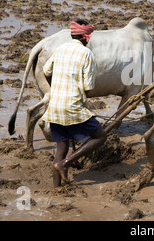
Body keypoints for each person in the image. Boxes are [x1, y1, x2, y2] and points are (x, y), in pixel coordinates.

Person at [42, 19, 106, 187]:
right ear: (85, 37)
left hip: (55, 107)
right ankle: (66, 163)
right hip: (73, 108)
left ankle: (56, 189)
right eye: (89, 37)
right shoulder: (86, 53)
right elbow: (88, 86)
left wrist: (55, 90)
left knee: (60, 149)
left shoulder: (60, 49)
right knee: (100, 136)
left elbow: (46, 71)